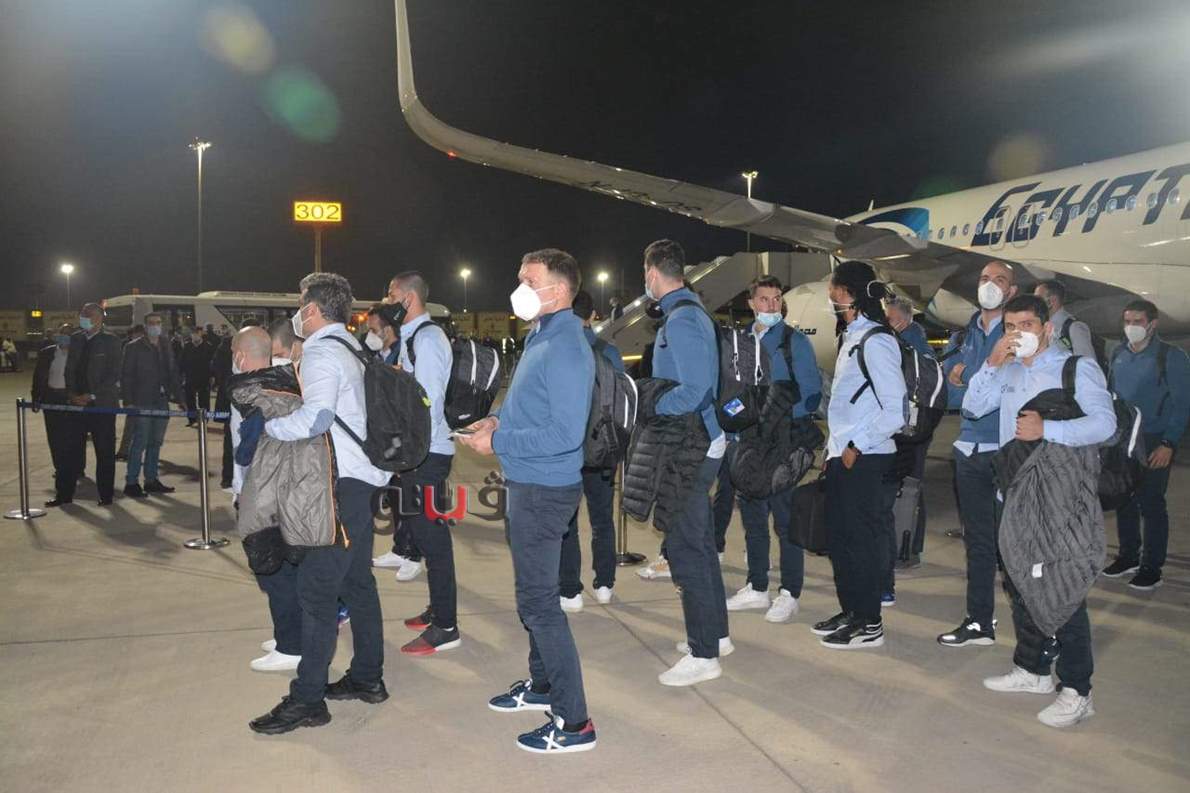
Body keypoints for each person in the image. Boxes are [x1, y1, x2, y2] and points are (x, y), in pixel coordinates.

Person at [457, 248, 598, 754]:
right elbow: (534, 407)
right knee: (532, 597)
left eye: (529, 280)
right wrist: (498, 421)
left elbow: (564, 433)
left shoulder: (566, 346)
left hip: (544, 489)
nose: (519, 288)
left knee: (540, 605)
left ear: (558, 290)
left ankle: (575, 723)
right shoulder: (542, 334)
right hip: (527, 483)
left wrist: (498, 442)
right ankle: (542, 685)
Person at [962, 294, 1115, 728]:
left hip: (1058, 500)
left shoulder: (1075, 369)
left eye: (1027, 325)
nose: (1019, 334)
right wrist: (991, 363)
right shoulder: (1008, 369)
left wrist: (1048, 428)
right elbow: (972, 407)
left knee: (1061, 590)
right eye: (1011, 326)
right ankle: (1032, 670)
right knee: (1020, 583)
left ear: (1047, 328)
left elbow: (1105, 424)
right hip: (1015, 495)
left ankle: (1078, 689)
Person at [248, 273, 390, 736]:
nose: (297, 312)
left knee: (315, 591)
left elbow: (317, 418)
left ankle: (307, 699)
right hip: (362, 481)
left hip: (340, 487)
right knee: (357, 583)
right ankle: (367, 677)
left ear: (311, 310)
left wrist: (270, 428)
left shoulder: (322, 351)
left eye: (299, 303)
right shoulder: (354, 348)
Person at [638, 239, 731, 684]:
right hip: (697, 442)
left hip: (691, 446)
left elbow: (696, 391)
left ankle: (703, 653)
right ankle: (716, 634)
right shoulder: (687, 313)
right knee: (700, 543)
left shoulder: (682, 319)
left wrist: (652, 404)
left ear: (653, 274)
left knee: (685, 548)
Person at [813, 261, 905, 649]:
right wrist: (834, 449)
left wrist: (856, 446)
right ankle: (852, 610)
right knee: (841, 540)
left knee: (862, 542)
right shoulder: (851, 336)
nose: (830, 298)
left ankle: (869, 623)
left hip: (866, 458)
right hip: (843, 455)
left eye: (834, 291)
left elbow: (896, 410)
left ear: (849, 294)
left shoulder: (877, 342)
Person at [725, 276, 822, 624]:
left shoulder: (794, 342)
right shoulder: (739, 342)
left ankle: (790, 592)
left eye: (776, 298)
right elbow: (731, 390)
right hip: (748, 443)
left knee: (785, 521)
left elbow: (811, 394)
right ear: (751, 303)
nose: (771, 305)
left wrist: (775, 414)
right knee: (753, 519)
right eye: (764, 299)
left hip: (782, 443)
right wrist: (731, 416)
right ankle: (757, 586)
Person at [937, 260, 1018, 648]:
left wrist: (965, 377)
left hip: (1004, 450)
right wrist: (969, 379)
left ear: (1011, 291)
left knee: (1015, 545)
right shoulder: (966, 333)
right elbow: (951, 395)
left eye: (999, 280)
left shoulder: (1017, 333)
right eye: (985, 278)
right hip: (968, 448)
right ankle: (979, 622)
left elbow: (1004, 390)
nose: (990, 285)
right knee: (979, 544)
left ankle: (1038, 631)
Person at [382, 273, 460, 656]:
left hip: (427, 453)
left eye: (391, 294)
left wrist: (409, 454)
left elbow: (427, 403)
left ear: (408, 298)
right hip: (418, 452)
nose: (387, 301)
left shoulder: (427, 340)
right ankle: (438, 609)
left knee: (433, 538)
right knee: (425, 534)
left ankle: (446, 626)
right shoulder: (412, 339)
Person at [1103, 300, 1190, 591]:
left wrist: (1168, 443)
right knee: (1123, 497)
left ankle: (1152, 567)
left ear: (1152, 324)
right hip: (1124, 438)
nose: (1131, 327)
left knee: (1151, 503)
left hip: (1154, 439)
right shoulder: (1118, 353)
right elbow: (1112, 395)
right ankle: (1128, 556)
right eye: (1127, 321)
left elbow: (1182, 405)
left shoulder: (1171, 357)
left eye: (1137, 322)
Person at [558, 289, 624, 610]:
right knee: (602, 518)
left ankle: (570, 589)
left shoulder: (559, 350)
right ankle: (605, 583)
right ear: (592, 315)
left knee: (567, 522)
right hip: (602, 449)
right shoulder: (609, 351)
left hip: (567, 449)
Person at [369, 300, 427, 583]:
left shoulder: (402, 351)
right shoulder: (379, 355)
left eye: (373, 329)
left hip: (404, 437)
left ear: (388, 329)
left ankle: (413, 555)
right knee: (394, 495)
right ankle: (400, 547)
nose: (369, 335)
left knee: (409, 498)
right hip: (387, 436)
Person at [885, 297, 932, 571]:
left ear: (902, 321)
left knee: (908, 485)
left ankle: (906, 547)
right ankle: (909, 546)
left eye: (889, 319)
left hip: (909, 428)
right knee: (912, 484)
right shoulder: (918, 344)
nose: (886, 323)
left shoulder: (908, 346)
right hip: (917, 426)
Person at [61, 303, 123, 507]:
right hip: (76, 403)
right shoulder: (76, 338)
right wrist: (71, 394)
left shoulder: (111, 340)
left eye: (88, 314)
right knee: (70, 451)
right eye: (82, 313)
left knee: (104, 452)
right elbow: (69, 369)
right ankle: (64, 494)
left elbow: (114, 373)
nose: (83, 317)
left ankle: (106, 496)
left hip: (101, 405)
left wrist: (92, 395)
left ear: (99, 318)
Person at [120, 313, 184, 498]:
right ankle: (131, 482)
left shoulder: (165, 344)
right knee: (140, 442)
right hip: (142, 400)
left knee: (156, 442)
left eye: (158, 323)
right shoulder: (134, 347)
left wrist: (181, 398)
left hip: (161, 400)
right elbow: (126, 375)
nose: (155, 326)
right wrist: (128, 401)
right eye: (151, 323)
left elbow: (173, 371)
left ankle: (151, 480)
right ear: (145, 326)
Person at [33, 324, 75, 506]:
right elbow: (38, 377)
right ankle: (62, 492)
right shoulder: (47, 353)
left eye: (69, 334)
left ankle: (68, 489)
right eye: (62, 333)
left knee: (70, 448)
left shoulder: (78, 354)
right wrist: (36, 398)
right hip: (51, 400)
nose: (65, 336)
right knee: (56, 446)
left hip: (71, 402)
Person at [1034, 279, 1096, 362]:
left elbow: (1088, 364)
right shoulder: (1040, 326)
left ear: (1052, 301)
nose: (1033, 304)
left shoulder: (1074, 327)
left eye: (1038, 299)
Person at [116, 324, 147, 462]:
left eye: (140, 335)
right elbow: (123, 372)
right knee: (131, 424)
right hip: (133, 394)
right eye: (136, 335)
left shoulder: (150, 348)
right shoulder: (128, 347)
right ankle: (124, 451)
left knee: (144, 426)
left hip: (146, 394)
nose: (137, 337)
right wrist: (126, 397)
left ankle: (132, 450)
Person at [180, 328, 214, 428]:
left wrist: (212, 376)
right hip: (190, 377)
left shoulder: (207, 347)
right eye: (193, 334)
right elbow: (182, 361)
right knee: (189, 400)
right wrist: (181, 375)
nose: (195, 336)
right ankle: (192, 419)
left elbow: (212, 363)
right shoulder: (187, 346)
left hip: (204, 377)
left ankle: (204, 419)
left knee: (204, 400)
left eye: (197, 334)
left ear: (201, 334)